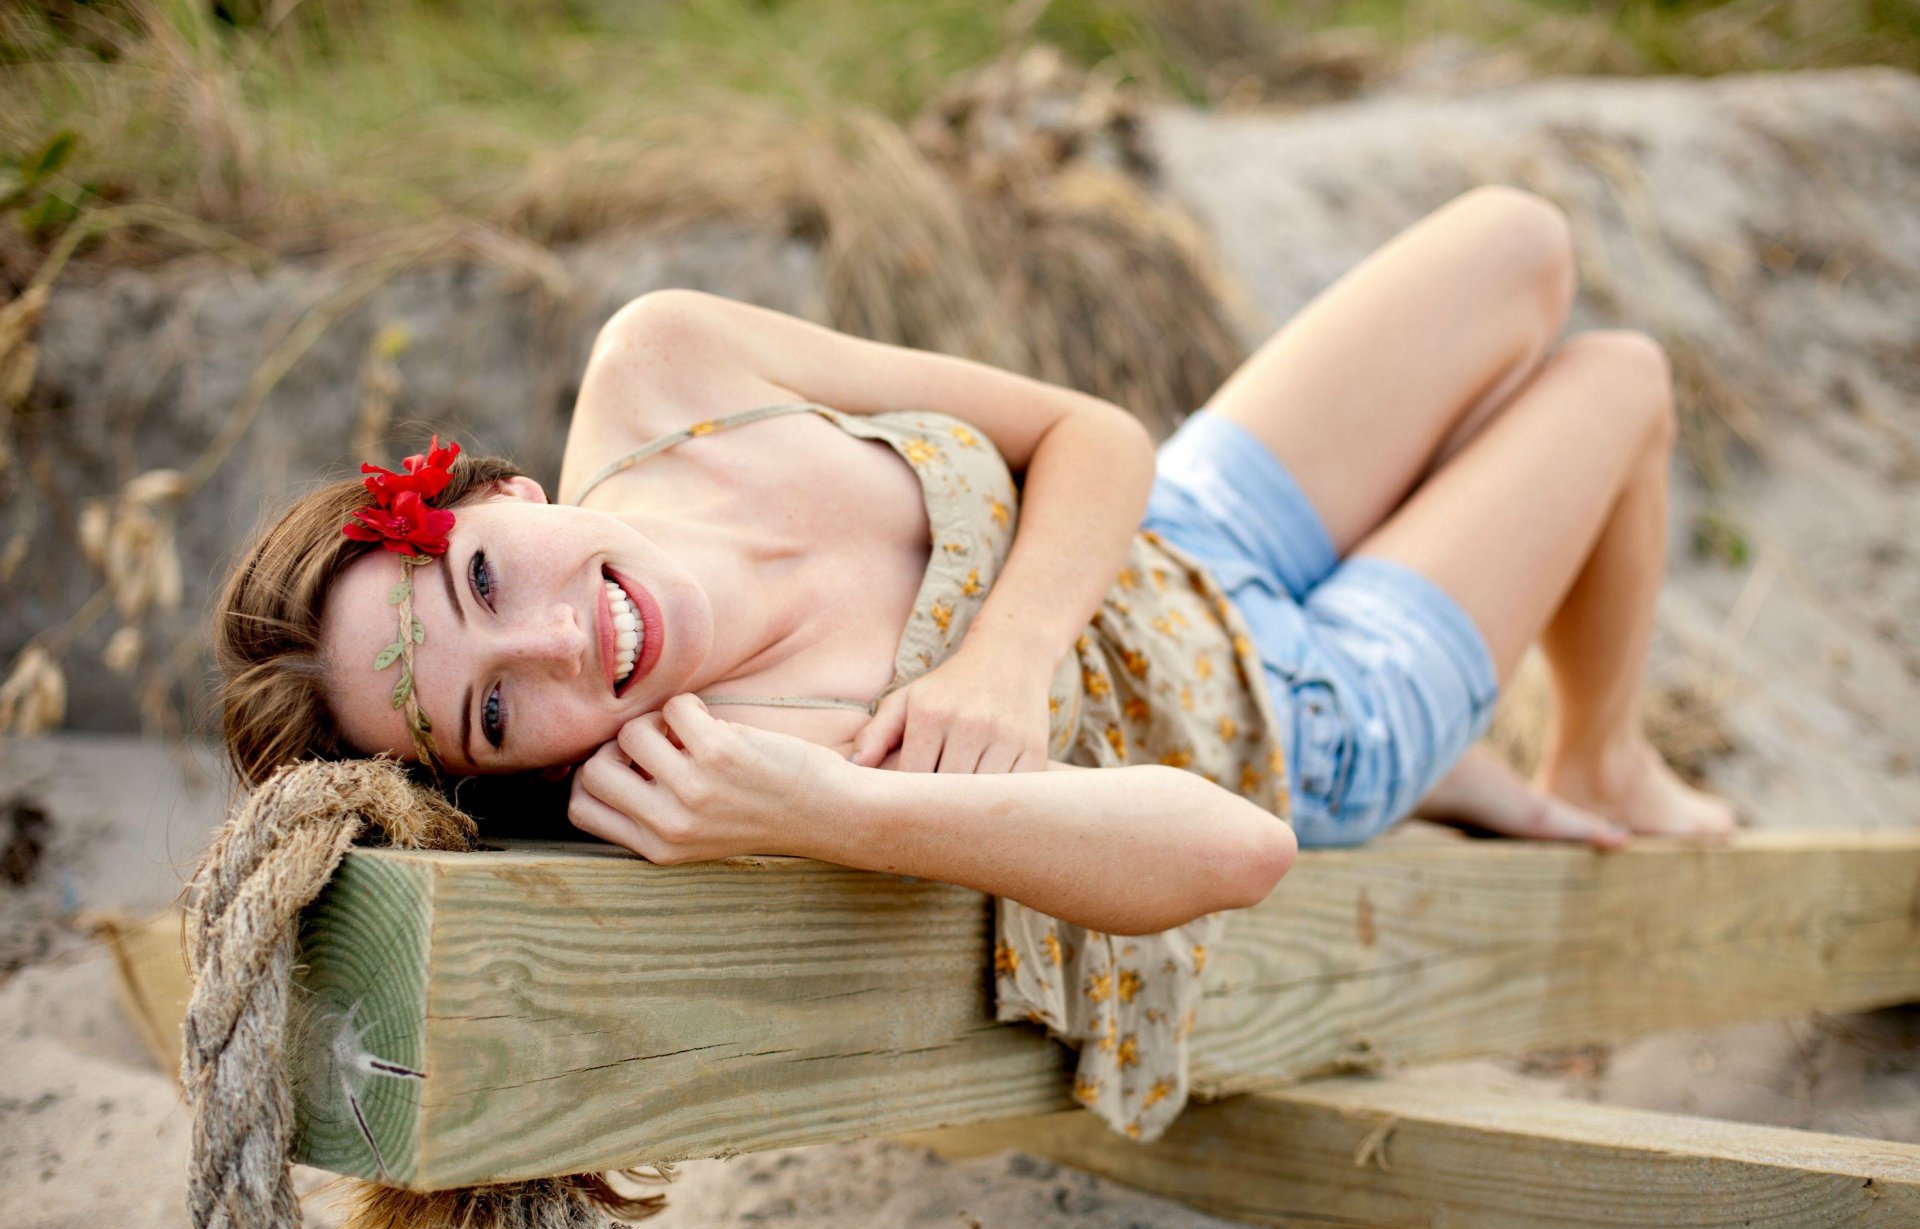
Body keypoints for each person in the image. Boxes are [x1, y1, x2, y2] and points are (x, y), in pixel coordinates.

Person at [215, 184, 1736, 939]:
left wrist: (1007, 656)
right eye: (493, 714)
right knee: (1618, 383)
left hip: (1174, 533)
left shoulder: (667, 363)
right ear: (516, 768)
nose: (558, 645)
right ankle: (1581, 760)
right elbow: (1236, 854)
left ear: (506, 493)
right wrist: (849, 808)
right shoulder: (731, 761)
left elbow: (1091, 431)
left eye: (484, 580)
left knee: (1520, 240)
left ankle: (1562, 750)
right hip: (1293, 714)